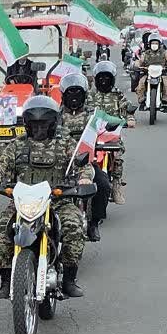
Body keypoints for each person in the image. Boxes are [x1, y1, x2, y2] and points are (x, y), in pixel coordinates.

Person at [0, 95, 93, 299]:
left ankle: (70, 279)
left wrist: (84, 180)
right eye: (34, 125)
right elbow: (0, 168)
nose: (39, 129)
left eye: (43, 124)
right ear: (27, 125)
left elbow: (83, 166)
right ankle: (6, 279)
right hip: (22, 202)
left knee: (74, 228)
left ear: (53, 124)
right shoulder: (16, 146)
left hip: (58, 201)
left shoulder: (66, 144)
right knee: (0, 233)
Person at [58, 73, 111, 242]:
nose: (74, 97)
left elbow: (108, 134)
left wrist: (106, 143)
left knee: (102, 184)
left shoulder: (94, 116)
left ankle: (94, 223)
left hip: (85, 163)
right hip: (61, 164)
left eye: (77, 92)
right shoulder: (55, 117)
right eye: (70, 92)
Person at [87, 60, 135, 205]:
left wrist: (130, 118)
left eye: (106, 78)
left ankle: (116, 185)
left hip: (111, 134)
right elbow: (82, 109)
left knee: (118, 156)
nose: (103, 81)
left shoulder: (117, 95)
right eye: (100, 78)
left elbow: (127, 107)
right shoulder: (90, 95)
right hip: (92, 133)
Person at [134, 34, 167, 112]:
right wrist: (137, 65)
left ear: (159, 44)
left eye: (156, 43)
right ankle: (142, 99)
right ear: (149, 44)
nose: (154, 45)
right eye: (153, 43)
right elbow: (140, 61)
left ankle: (165, 99)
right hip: (148, 73)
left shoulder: (164, 52)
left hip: (161, 73)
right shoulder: (146, 53)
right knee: (141, 84)